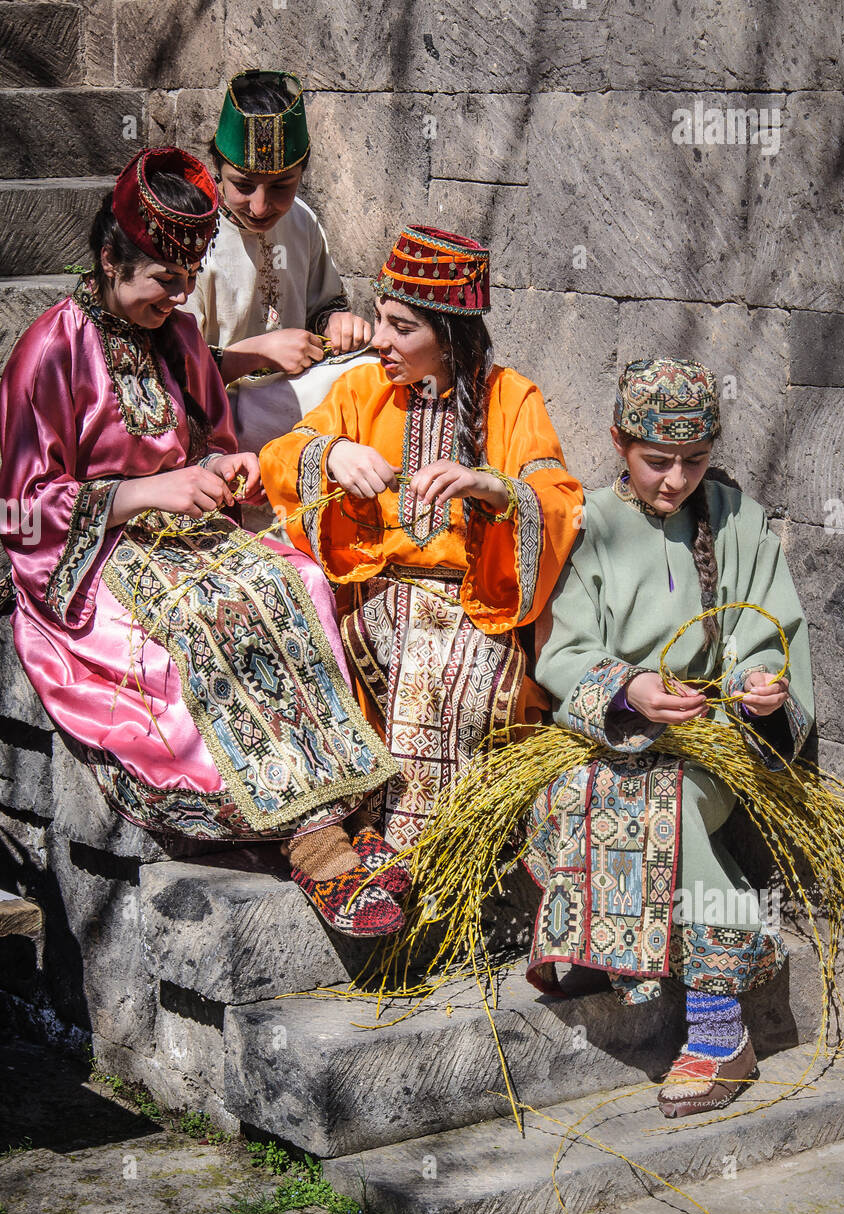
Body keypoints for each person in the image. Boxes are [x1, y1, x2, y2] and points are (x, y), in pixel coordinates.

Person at [0, 146, 406, 939]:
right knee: (198, 615)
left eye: (185, 281)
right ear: (111, 256)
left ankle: (334, 805)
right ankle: (303, 835)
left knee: (290, 580)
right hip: (97, 555)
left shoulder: (181, 336)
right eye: (162, 279)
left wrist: (231, 466)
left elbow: (212, 439)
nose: (177, 297)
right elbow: (17, 511)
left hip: (189, 532)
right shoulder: (52, 349)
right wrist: (143, 493)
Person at [523, 358, 814, 1116]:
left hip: (705, 748)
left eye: (693, 461)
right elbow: (560, 650)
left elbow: (767, 634)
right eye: (657, 461)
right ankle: (613, 953)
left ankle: (720, 1027)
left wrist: (761, 689)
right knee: (586, 791)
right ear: (620, 443)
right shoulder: (586, 524)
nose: (674, 480)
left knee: (671, 800)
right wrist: (628, 690)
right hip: (601, 739)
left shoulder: (736, 520)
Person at [259, 226, 585, 852]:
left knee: (446, 668)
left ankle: (414, 852)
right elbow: (281, 454)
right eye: (380, 319)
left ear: (451, 337)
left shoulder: (512, 400)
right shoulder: (361, 389)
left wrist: (491, 487)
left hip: (475, 608)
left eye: (401, 328)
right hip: (375, 598)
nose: (378, 340)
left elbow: (558, 500)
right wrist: (331, 454)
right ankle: (380, 841)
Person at [184, 69, 374, 455]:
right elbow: (172, 366)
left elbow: (326, 304)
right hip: (214, 408)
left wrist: (336, 323)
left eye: (281, 188)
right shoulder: (190, 233)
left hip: (291, 397)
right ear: (217, 169)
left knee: (374, 369)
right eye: (242, 185)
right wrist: (257, 353)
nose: (259, 206)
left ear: (302, 175)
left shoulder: (301, 220)